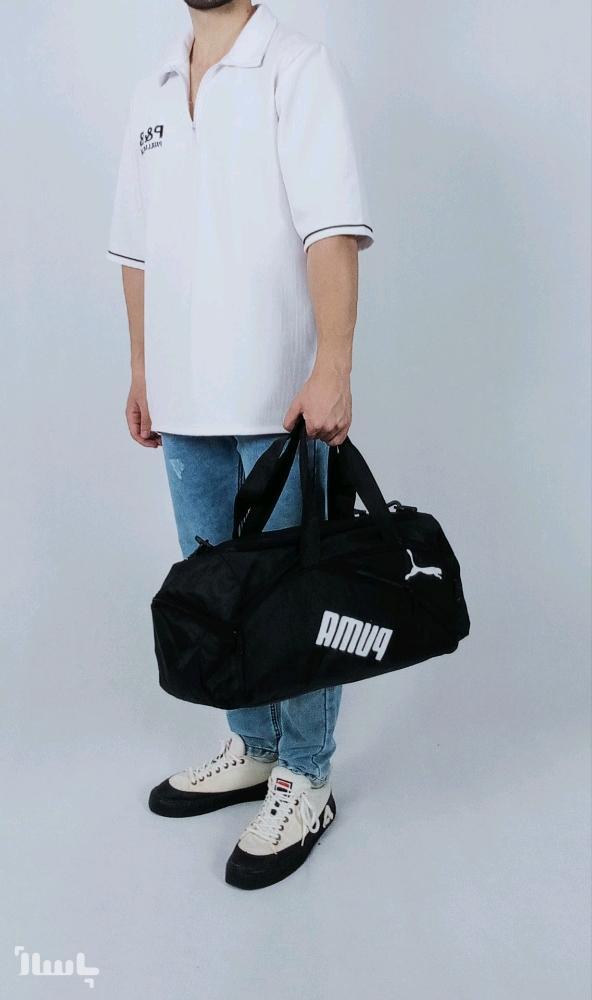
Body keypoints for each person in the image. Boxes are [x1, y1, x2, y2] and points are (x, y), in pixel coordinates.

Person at [107, 0, 373, 890]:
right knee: (215, 587)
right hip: (185, 402)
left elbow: (331, 227)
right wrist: (142, 368)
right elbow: (137, 248)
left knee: (294, 597)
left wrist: (332, 365)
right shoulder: (153, 86)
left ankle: (307, 774)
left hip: (278, 404)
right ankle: (254, 746)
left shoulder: (295, 67)